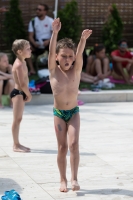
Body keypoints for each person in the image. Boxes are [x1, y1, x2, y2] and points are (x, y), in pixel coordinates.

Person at [48, 18, 92, 192]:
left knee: (74, 145)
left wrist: (83, 40)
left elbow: (80, 54)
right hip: (59, 114)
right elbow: (50, 52)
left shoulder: (76, 69)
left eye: (70, 56)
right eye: (63, 56)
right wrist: (55, 33)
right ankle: (62, 179)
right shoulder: (53, 70)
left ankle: (74, 178)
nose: (67, 59)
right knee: (62, 147)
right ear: (57, 57)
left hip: (73, 113)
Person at [11, 39, 32, 152]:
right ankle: (15, 145)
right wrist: (28, 94)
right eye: (28, 49)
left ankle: (17, 143)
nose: (30, 50)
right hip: (18, 93)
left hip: (20, 93)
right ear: (19, 52)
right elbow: (22, 83)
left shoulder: (23, 62)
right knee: (16, 120)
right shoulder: (19, 65)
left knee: (19, 119)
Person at [27, 3, 54, 75]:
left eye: (39, 10)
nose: (37, 11)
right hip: (37, 42)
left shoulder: (50, 20)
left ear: (45, 11)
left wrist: (48, 41)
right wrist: (34, 43)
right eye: (37, 9)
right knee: (26, 48)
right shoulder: (33, 21)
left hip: (48, 42)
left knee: (55, 47)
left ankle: (53, 68)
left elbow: (54, 34)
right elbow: (30, 36)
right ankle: (32, 69)